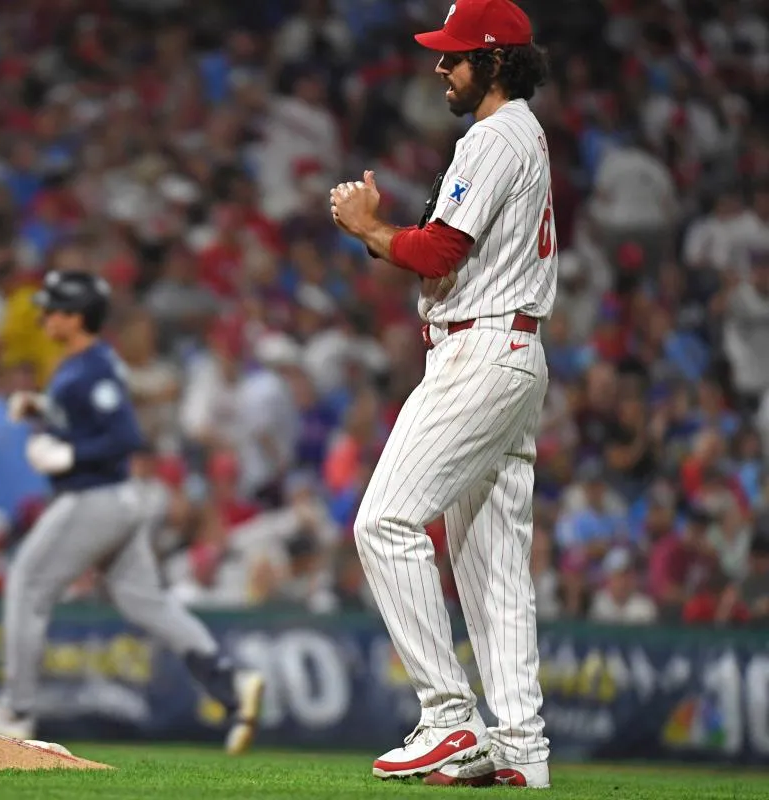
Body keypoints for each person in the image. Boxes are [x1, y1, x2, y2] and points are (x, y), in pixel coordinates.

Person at [329, 0, 555, 789]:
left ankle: (450, 718)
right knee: (492, 570)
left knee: (383, 522)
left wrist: (366, 226)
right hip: (510, 350)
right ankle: (521, 751)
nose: (440, 65)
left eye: (456, 55)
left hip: (482, 350)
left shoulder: (494, 135)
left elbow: (438, 249)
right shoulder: (521, 133)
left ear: (494, 62)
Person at [0, 270, 264, 755]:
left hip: (96, 497)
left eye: (53, 309)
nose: (44, 316)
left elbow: (123, 435)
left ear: (75, 317)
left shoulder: (87, 367)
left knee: (27, 583)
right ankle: (229, 681)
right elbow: (85, 416)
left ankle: (14, 709)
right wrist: (40, 407)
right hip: (115, 500)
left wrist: (69, 456)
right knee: (146, 603)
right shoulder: (88, 362)